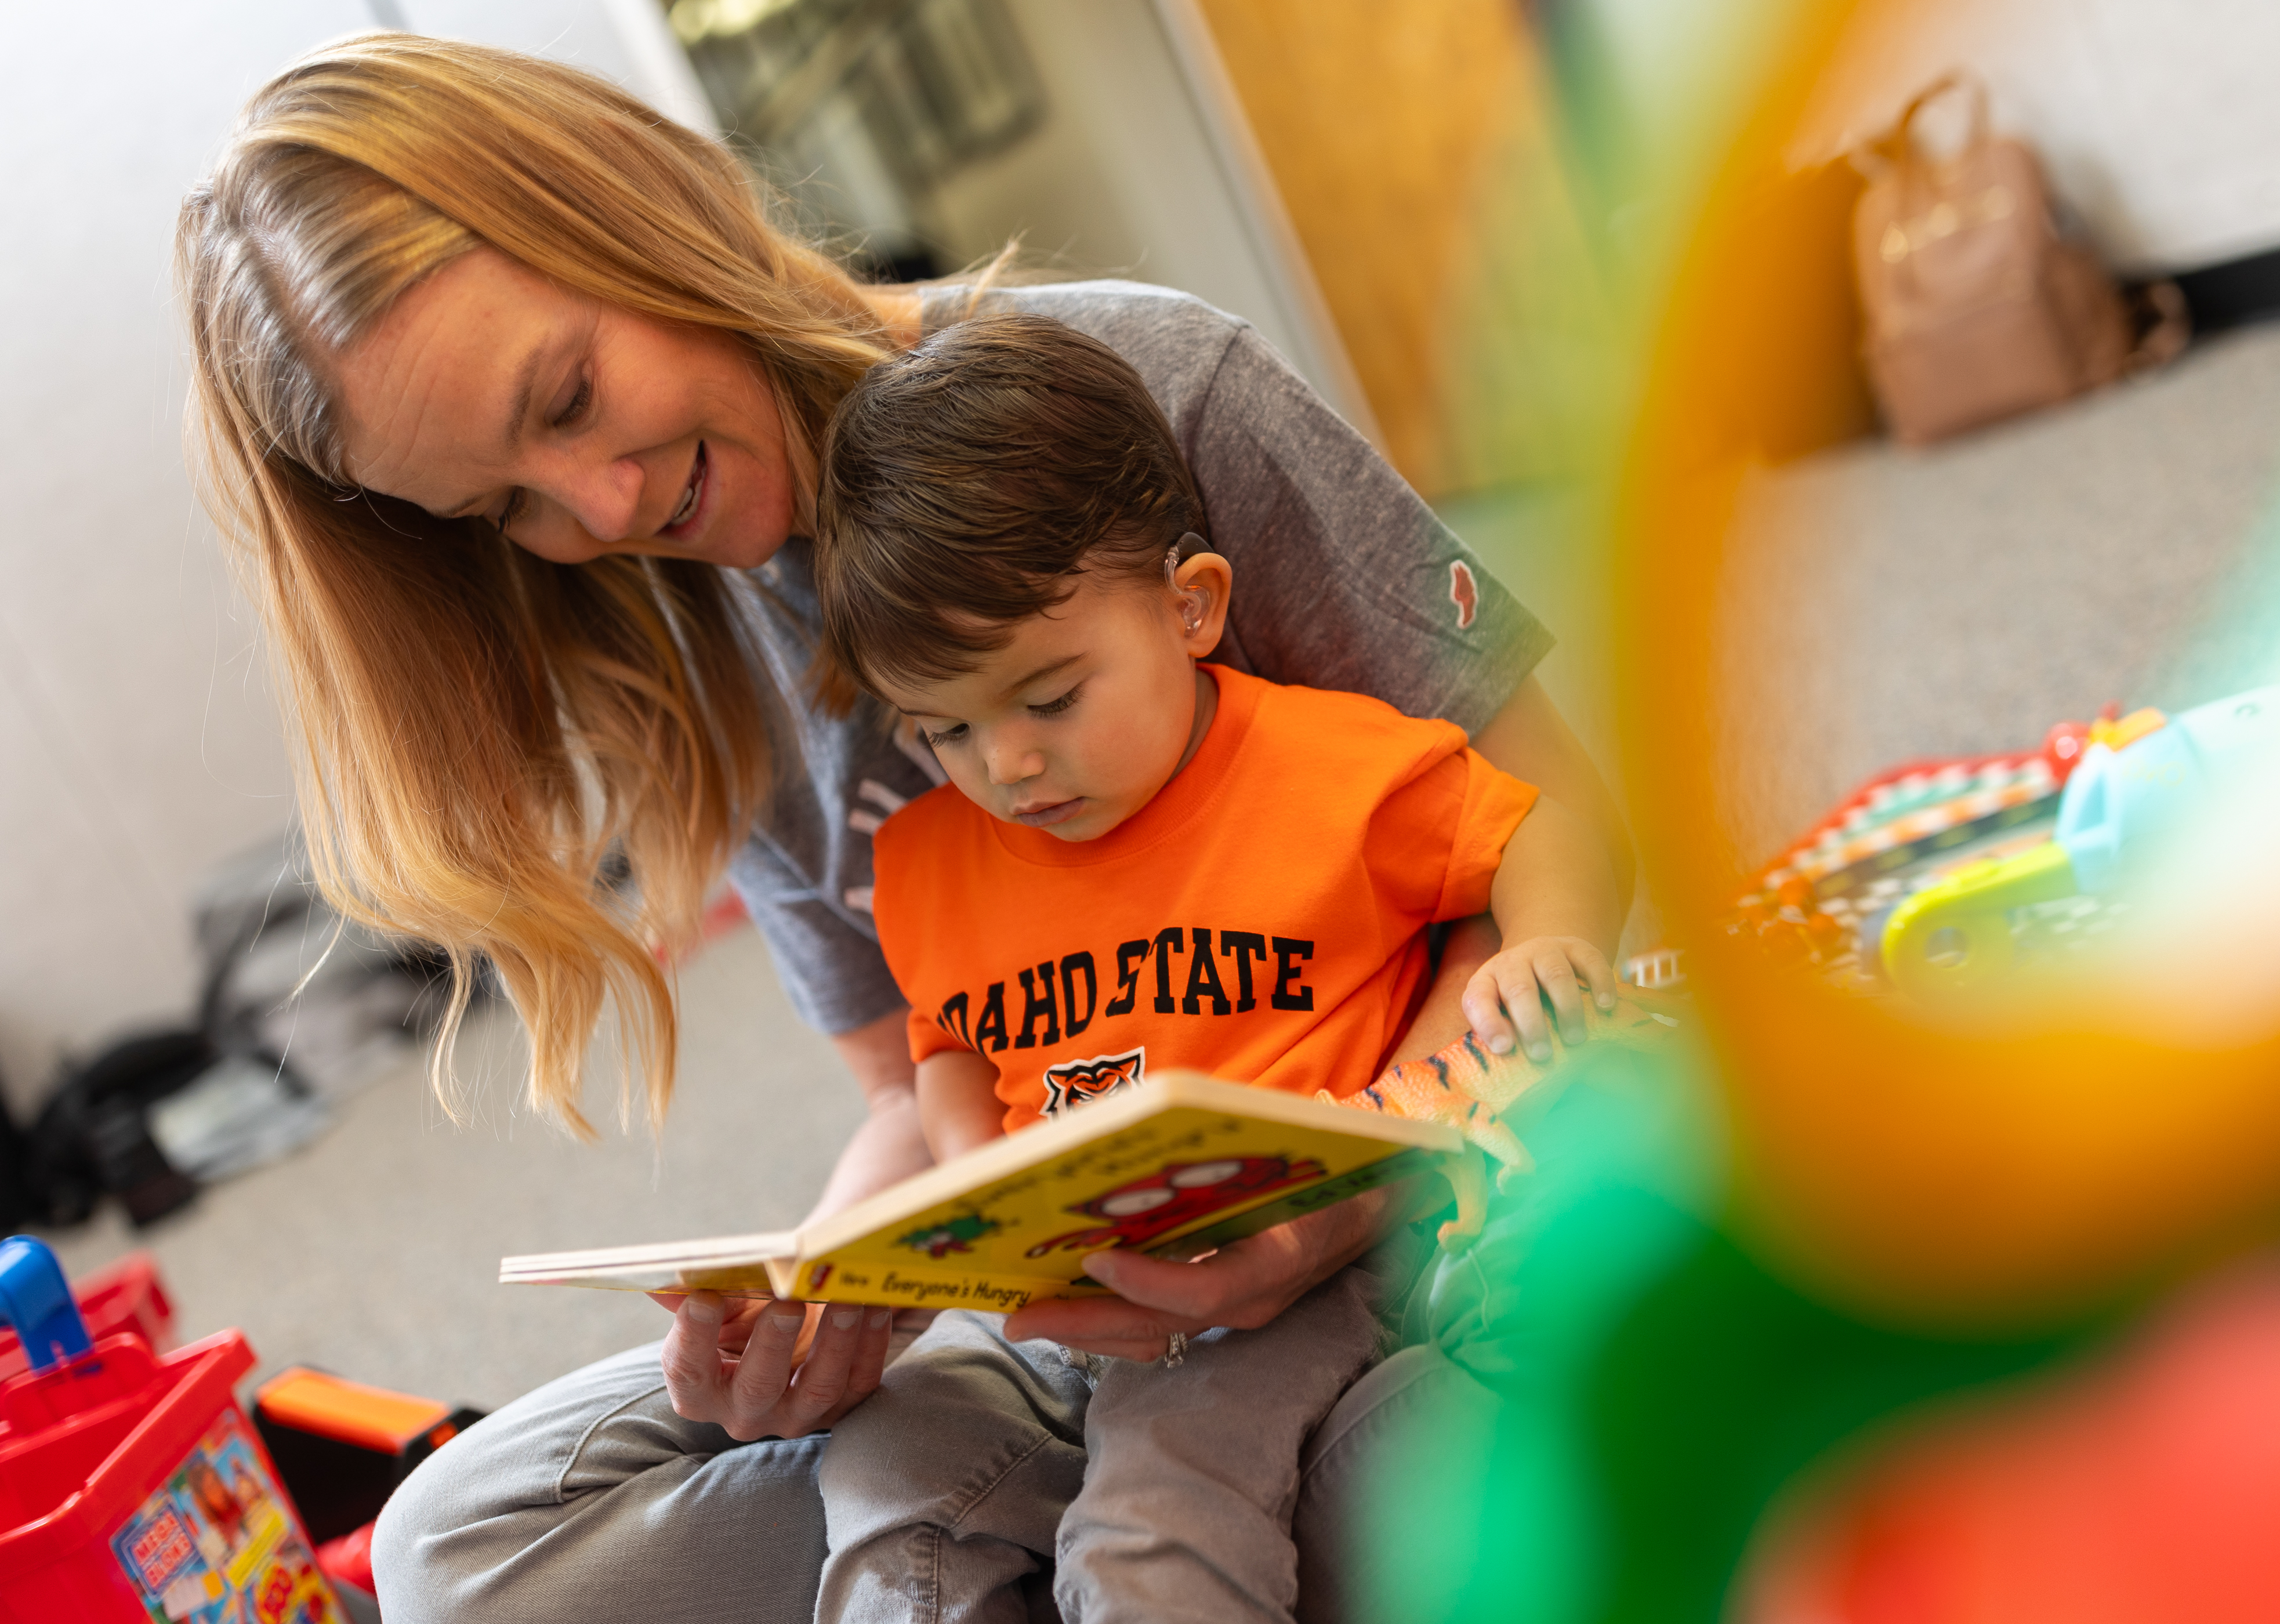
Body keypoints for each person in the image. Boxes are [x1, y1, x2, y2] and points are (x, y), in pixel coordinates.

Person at [176, 32, 1630, 1622]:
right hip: (1072, 1324)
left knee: (1431, 1436)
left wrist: (1353, 1189)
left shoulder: (1148, 390)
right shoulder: (688, 660)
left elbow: (1552, 829)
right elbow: (916, 1081)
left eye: (574, 398)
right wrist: (835, 1281)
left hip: (1391, 1237)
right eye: (501, 507)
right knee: (445, 1545)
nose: (593, 512)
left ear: (635, 212)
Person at [806, 313, 1621, 1621]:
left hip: (1280, 1262)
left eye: (1051, 696)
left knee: (1151, 1528)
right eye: (947, 727)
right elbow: (947, 1042)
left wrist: (1553, 942)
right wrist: (968, 1178)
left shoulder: (1323, 769)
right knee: (881, 1480)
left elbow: (1541, 829)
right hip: (1064, 1291)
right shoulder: (935, 859)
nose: (1007, 765)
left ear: (1194, 607)